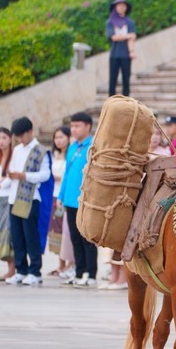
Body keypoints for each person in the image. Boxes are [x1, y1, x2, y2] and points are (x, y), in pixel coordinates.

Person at [5, 117, 52, 286]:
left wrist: (25, 176)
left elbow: (45, 174)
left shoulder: (41, 150)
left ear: (30, 132)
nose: (19, 139)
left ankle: (35, 271)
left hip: (31, 198)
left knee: (30, 236)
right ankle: (21, 270)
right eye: (17, 136)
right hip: (14, 196)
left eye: (22, 135)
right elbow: (11, 168)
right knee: (17, 237)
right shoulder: (17, 149)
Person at [59, 112, 97, 286]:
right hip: (70, 199)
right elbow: (67, 173)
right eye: (72, 126)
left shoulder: (93, 146)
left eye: (77, 126)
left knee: (86, 238)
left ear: (87, 126)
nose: (73, 129)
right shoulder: (73, 147)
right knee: (74, 237)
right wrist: (61, 195)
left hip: (86, 199)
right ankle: (79, 271)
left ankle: (91, 274)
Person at [48, 126, 74, 280]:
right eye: (56, 137)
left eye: (61, 137)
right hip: (54, 195)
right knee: (56, 230)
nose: (58, 140)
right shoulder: (54, 155)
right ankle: (61, 263)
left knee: (67, 231)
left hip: (66, 196)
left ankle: (70, 263)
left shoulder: (71, 155)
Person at [0, 127, 15, 279]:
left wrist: (1, 182)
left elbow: (10, 178)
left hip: (9, 197)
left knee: (9, 232)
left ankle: (13, 268)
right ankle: (9, 267)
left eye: (4, 138)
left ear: (10, 139)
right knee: (1, 232)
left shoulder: (14, 156)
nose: (1, 141)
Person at [106, 0, 137, 97]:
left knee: (126, 79)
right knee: (113, 79)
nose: (121, 8)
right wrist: (127, 36)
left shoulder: (130, 23)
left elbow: (132, 38)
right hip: (114, 54)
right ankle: (111, 101)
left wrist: (131, 51)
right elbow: (113, 37)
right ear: (115, 7)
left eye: (123, 6)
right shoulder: (110, 22)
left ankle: (126, 101)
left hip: (125, 54)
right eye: (119, 6)